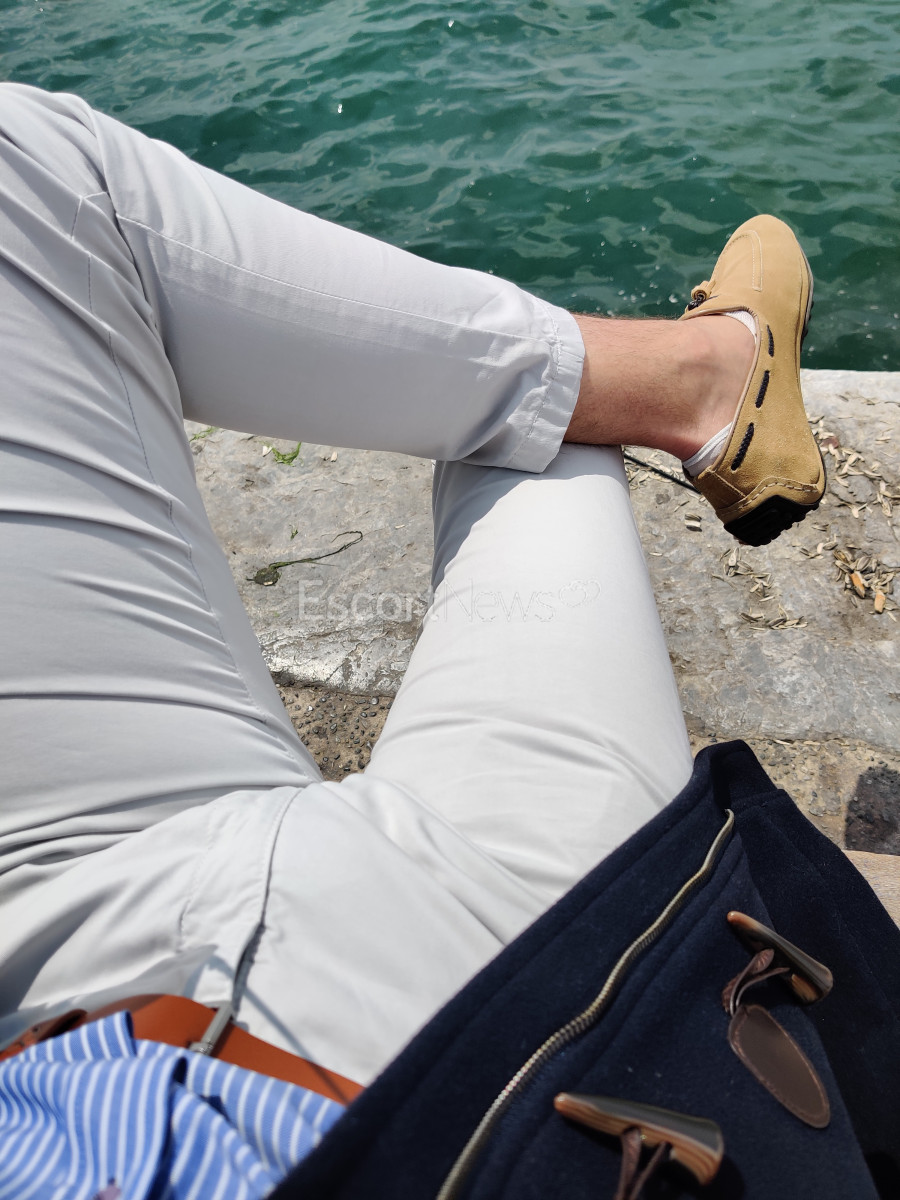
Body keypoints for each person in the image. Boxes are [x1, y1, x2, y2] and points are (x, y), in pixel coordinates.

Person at [2, 84, 897, 1199]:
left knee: (20, 171)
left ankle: (698, 388)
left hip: (47, 966)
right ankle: (701, 381)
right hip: (470, 1047)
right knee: (522, 439)